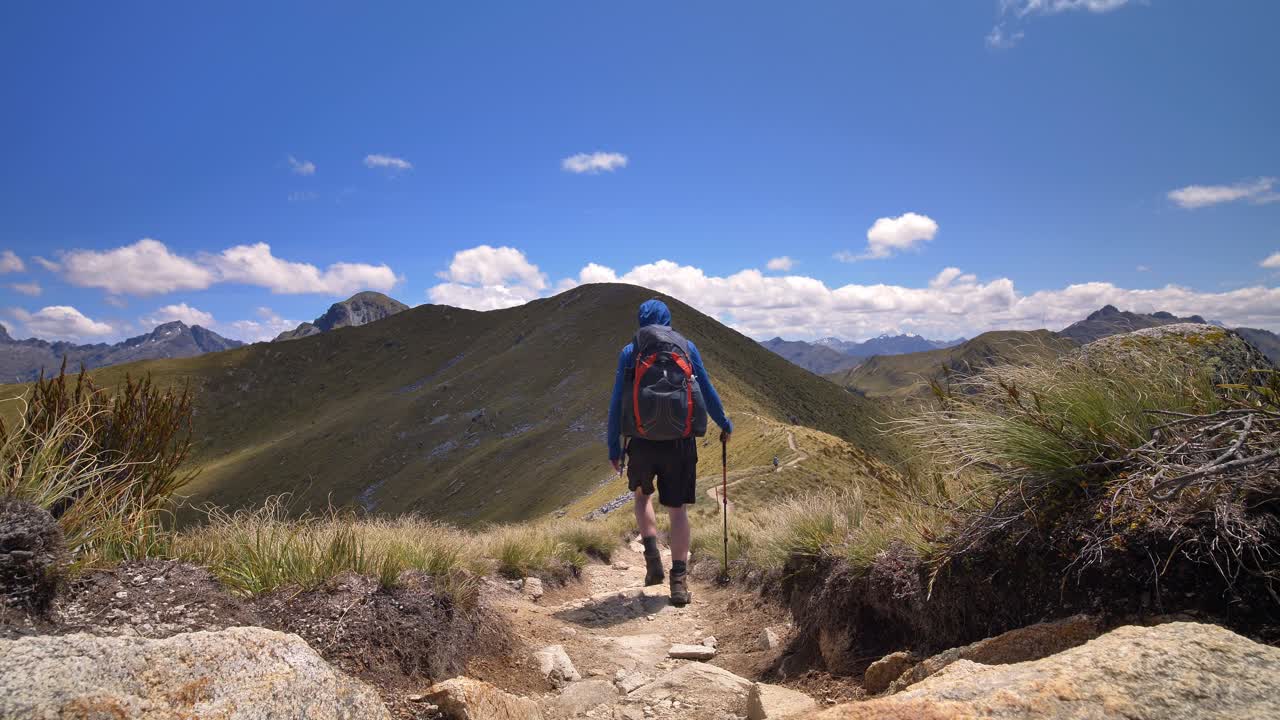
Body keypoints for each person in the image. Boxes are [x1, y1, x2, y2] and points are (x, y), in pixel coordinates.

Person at [608, 299, 732, 606]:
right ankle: (678, 583)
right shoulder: (686, 347)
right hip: (680, 441)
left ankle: (653, 563)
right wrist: (724, 423)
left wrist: (614, 447)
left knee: (641, 497)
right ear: (668, 321)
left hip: (641, 440)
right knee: (678, 510)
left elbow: (617, 402)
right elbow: (707, 389)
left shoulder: (631, 351)